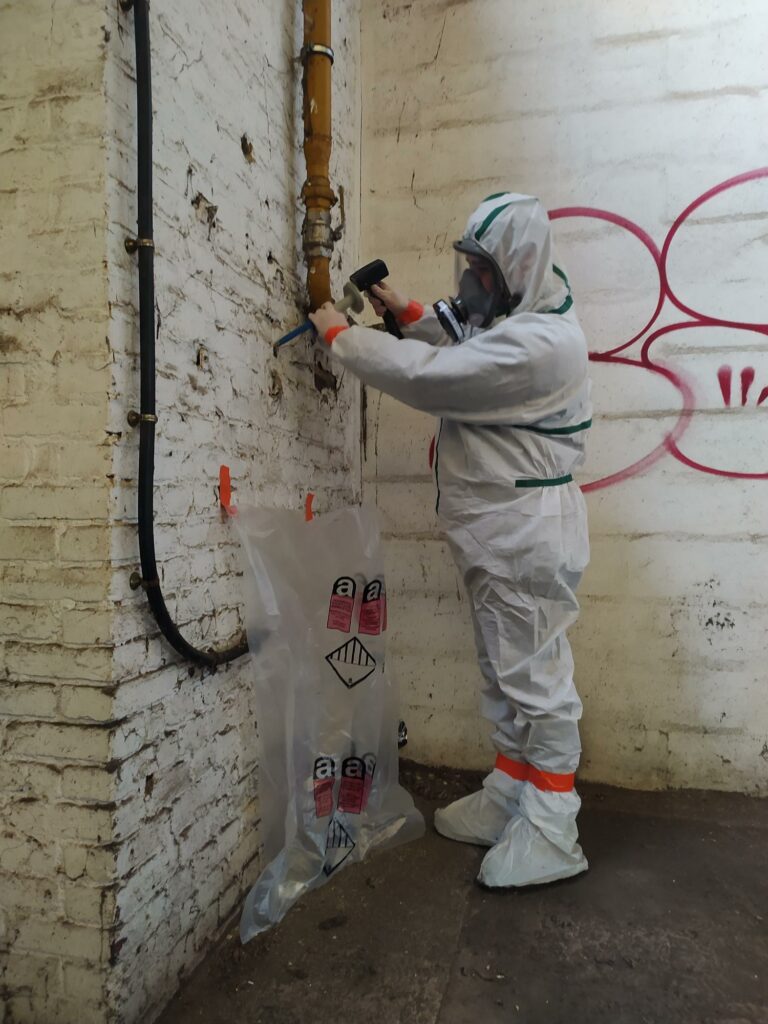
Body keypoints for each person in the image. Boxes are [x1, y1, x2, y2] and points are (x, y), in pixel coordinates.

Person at [308, 193, 592, 888]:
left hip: (523, 538)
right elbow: (467, 337)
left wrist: (342, 336)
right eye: (470, 268)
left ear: (516, 270)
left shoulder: (543, 346)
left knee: (536, 680)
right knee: (505, 672)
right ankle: (511, 792)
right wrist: (401, 308)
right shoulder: (527, 305)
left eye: (483, 274)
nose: (471, 285)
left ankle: (555, 829)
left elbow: (438, 376)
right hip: (497, 533)